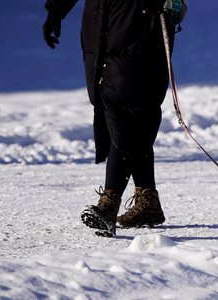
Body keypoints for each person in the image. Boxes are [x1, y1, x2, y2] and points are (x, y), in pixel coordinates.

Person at [43, 0, 176, 236]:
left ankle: (109, 204)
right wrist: (56, 11)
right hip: (99, 26)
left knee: (127, 109)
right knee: (115, 107)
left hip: (139, 25)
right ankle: (148, 200)